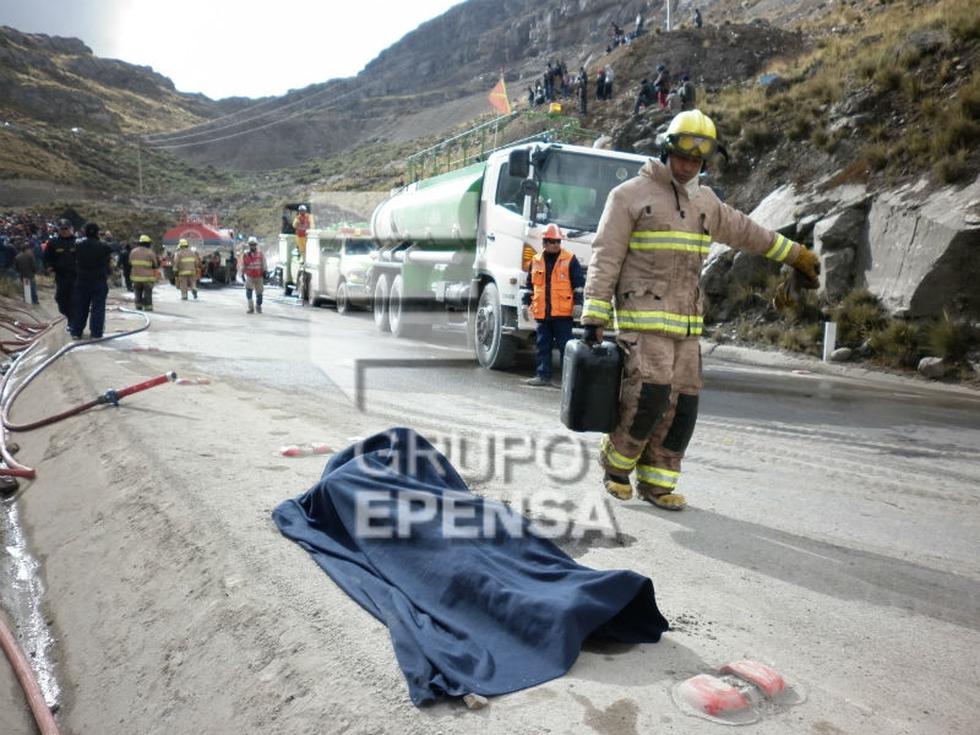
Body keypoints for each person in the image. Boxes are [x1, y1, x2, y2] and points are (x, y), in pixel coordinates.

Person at [580, 109, 820, 511]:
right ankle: (616, 466)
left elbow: (748, 231)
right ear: (667, 151)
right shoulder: (629, 197)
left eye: (697, 160)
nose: (688, 165)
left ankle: (658, 482)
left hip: (687, 325)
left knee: (683, 405)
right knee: (649, 396)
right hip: (643, 319)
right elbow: (605, 256)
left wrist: (794, 254)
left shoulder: (706, 202)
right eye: (682, 156)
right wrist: (594, 314)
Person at [521, 224, 585, 387]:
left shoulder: (570, 259)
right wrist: (524, 304)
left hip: (562, 314)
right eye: (551, 241)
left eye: (557, 241)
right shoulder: (535, 261)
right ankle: (543, 376)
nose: (555, 244)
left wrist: (578, 304)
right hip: (543, 313)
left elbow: (578, 284)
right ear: (544, 242)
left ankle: (568, 379)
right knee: (543, 345)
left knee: (566, 347)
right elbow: (529, 286)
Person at [70, 222, 113, 339]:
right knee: (98, 308)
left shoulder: (78, 245)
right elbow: (111, 248)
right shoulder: (104, 247)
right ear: (98, 232)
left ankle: (76, 332)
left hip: (82, 279)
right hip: (98, 280)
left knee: (80, 306)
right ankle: (96, 333)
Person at [44, 219, 77, 319]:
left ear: (71, 229)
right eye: (61, 229)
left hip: (76, 275)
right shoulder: (53, 243)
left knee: (74, 299)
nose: (64, 231)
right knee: (60, 298)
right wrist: (48, 267)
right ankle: (68, 315)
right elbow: (46, 257)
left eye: (66, 228)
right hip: (61, 276)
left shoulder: (77, 242)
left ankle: (74, 320)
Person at [129, 234, 159, 312]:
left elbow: (130, 262)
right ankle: (148, 307)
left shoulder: (133, 251)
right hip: (147, 278)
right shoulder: (150, 252)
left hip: (135, 277)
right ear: (148, 243)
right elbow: (155, 265)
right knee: (147, 293)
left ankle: (138, 306)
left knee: (137, 292)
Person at [242, 236, 266, 314]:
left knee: (259, 293)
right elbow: (244, 265)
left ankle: (258, 306)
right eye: (251, 245)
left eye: (254, 244)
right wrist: (242, 273)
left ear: (256, 245)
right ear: (249, 245)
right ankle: (251, 308)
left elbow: (264, 263)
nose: (252, 246)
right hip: (250, 276)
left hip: (259, 276)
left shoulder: (260, 254)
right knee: (249, 291)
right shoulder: (246, 254)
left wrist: (265, 271)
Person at [14, 240, 39, 305]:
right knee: (32, 288)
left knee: (26, 288)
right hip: (30, 274)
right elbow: (34, 266)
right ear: (26, 249)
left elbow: (16, 267)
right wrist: (35, 271)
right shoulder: (30, 256)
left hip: (22, 274)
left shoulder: (17, 257)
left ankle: (27, 300)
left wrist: (19, 272)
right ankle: (35, 301)